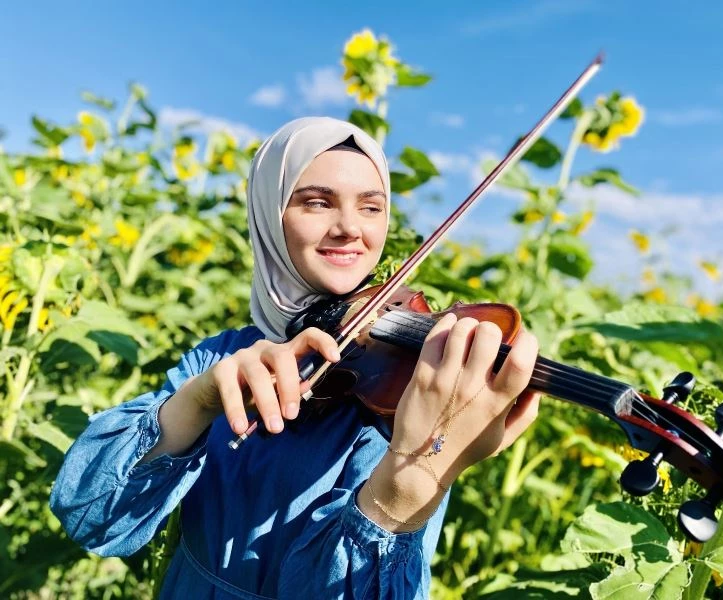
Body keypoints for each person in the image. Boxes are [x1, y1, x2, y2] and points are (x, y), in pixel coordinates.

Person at [50, 117, 541, 599]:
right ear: (269, 214)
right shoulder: (221, 356)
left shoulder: (409, 397)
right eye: (317, 202)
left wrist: (416, 476)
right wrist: (198, 402)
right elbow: (90, 515)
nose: (350, 228)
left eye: (371, 207)